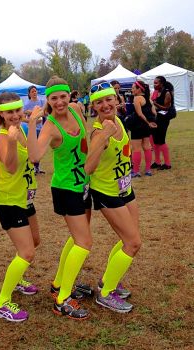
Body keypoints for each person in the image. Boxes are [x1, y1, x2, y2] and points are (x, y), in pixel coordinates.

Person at [27, 76, 92, 320]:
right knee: (84, 242)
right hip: (65, 188)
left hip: (83, 183)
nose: (60, 101)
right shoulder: (50, 126)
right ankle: (62, 299)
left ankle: (58, 283)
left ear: (69, 96)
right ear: (49, 100)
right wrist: (33, 124)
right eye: (54, 98)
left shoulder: (76, 110)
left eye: (63, 96)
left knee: (78, 238)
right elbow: (34, 156)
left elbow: (84, 141)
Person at [84, 81, 141, 313]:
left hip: (125, 188)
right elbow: (88, 167)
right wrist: (102, 138)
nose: (106, 105)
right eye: (99, 102)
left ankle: (108, 280)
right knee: (133, 242)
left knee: (131, 239)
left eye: (109, 99)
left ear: (116, 100)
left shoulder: (117, 120)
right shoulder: (100, 131)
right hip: (107, 192)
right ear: (94, 107)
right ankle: (106, 294)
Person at [0, 92, 39, 323]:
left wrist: (30, 124)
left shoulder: (22, 129)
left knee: (34, 242)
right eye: (9, 112)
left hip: (24, 198)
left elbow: (34, 156)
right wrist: (10, 141)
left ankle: (17, 279)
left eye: (17, 110)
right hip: (8, 200)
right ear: (1, 113)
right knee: (27, 251)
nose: (15, 115)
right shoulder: (2, 136)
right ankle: (1, 304)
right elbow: (10, 168)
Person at [130, 81, 157, 177]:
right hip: (146, 127)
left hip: (138, 125)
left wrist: (147, 122)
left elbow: (139, 114)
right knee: (147, 147)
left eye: (133, 88)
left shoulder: (137, 98)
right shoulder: (148, 99)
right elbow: (154, 112)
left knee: (136, 148)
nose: (132, 90)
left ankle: (136, 171)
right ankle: (148, 170)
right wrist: (151, 122)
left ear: (139, 89)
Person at [150, 76, 174, 170]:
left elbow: (166, 108)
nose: (154, 84)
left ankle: (167, 164)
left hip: (163, 119)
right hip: (156, 118)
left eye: (156, 83)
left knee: (161, 140)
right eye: (154, 83)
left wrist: (155, 104)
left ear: (162, 83)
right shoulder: (156, 92)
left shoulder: (167, 93)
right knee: (155, 141)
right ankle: (157, 162)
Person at [23, 85, 46, 174]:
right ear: (29, 93)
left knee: (39, 148)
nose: (34, 93)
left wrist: (40, 115)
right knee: (32, 148)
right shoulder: (27, 104)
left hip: (40, 128)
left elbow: (45, 113)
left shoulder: (41, 101)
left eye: (35, 91)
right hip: (31, 129)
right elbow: (23, 115)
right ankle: (31, 167)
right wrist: (31, 119)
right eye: (32, 91)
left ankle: (37, 167)